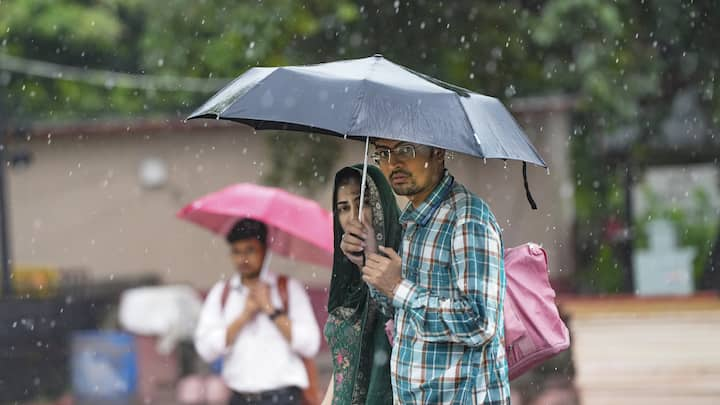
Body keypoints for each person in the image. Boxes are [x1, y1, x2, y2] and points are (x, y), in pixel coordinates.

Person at [340, 141, 510, 404]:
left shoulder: (467, 219)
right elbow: (405, 315)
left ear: (439, 151)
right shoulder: (416, 222)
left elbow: (480, 323)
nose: (393, 163)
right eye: (383, 154)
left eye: (405, 150)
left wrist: (399, 288)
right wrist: (369, 260)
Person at [194, 218, 321, 405]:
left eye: (250, 250)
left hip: (285, 397)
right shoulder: (222, 293)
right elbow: (206, 349)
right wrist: (244, 316)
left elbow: (310, 344)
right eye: (236, 252)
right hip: (239, 397)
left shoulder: (287, 289)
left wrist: (271, 310)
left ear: (264, 251)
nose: (243, 259)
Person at [321, 165, 402, 405]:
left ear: (380, 204)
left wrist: (373, 260)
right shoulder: (347, 278)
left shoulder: (407, 262)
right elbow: (343, 366)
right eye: (343, 208)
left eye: (363, 203)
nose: (354, 217)